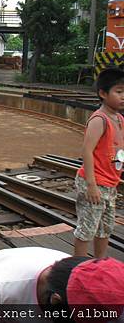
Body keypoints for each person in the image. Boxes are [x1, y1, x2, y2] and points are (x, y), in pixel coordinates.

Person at [74, 68, 124, 258]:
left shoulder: (119, 118)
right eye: (118, 92)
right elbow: (87, 150)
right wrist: (91, 185)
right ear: (103, 93)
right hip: (95, 182)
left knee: (105, 227)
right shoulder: (99, 119)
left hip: (110, 183)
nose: (123, 96)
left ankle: (99, 265)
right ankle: (76, 269)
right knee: (87, 228)